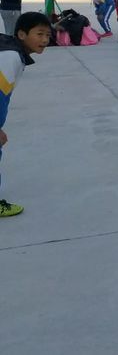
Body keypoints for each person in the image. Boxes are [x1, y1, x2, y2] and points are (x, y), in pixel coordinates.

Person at [0, 12, 52, 217]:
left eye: (48, 35)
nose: (45, 40)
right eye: (39, 34)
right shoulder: (10, 57)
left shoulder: (12, 52)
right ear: (21, 34)